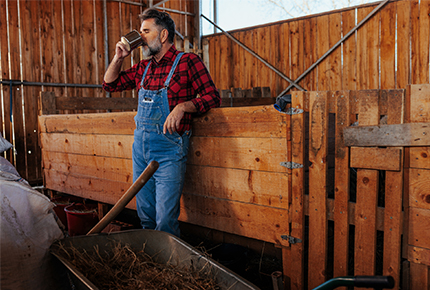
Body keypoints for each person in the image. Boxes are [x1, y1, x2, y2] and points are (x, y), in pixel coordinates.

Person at [103, 8, 220, 237]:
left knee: (165, 218)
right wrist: (119, 56)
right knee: (145, 213)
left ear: (163, 35)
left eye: (146, 31)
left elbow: (212, 96)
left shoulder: (187, 61)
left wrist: (183, 106)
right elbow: (110, 84)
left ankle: (169, 265)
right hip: (141, 149)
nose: (141, 36)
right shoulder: (143, 68)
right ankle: (152, 261)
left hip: (169, 150)